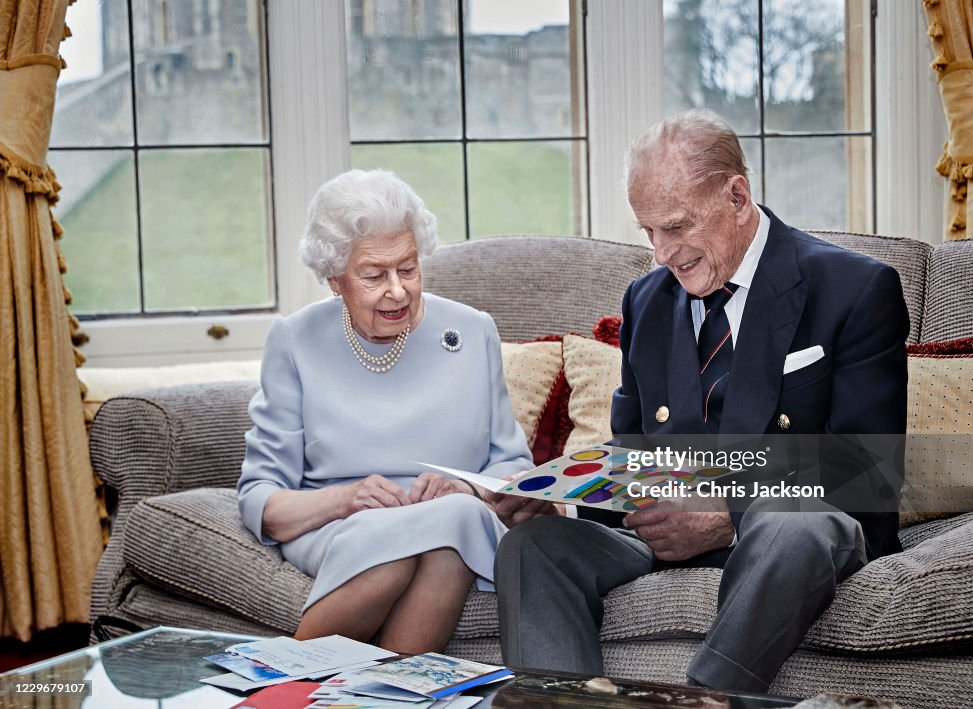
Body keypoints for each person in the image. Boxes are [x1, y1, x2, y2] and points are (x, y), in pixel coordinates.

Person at [492, 110, 909, 691]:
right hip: (663, 538)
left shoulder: (854, 289)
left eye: (678, 227)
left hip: (787, 533)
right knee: (533, 546)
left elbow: (865, 468)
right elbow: (633, 452)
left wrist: (726, 518)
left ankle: (701, 702)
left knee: (795, 527)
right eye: (649, 232)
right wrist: (561, 500)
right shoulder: (647, 300)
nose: (663, 253)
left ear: (737, 196)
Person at [238, 169, 533, 653]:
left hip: (452, 517)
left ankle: (282, 689)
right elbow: (262, 499)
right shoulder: (296, 340)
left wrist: (464, 486)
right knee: (408, 549)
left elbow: (513, 467)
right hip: (338, 524)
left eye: (408, 268)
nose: (397, 290)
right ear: (335, 280)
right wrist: (345, 499)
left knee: (449, 528)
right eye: (374, 275)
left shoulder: (472, 330)